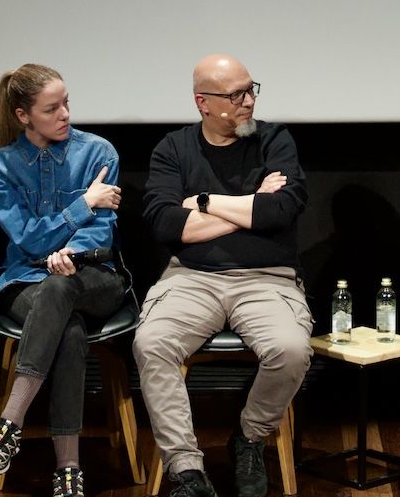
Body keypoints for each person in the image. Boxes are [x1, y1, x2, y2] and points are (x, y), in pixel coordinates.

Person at [134, 55, 312, 497]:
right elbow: (164, 224)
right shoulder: (173, 149)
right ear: (203, 103)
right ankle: (187, 471)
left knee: (290, 350)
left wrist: (205, 202)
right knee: (151, 344)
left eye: (251, 89)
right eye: (235, 95)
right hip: (191, 277)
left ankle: (249, 439)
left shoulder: (275, 140)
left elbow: (283, 209)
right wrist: (251, 203)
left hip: (267, 278)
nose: (248, 101)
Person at [0, 64, 128, 497]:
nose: (65, 114)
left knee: (62, 287)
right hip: (25, 282)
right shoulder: (1, 169)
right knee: (68, 327)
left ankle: (9, 425)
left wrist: (70, 251)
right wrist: (84, 204)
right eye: (51, 108)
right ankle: (68, 469)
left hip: (94, 274)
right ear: (23, 115)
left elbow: (100, 234)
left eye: (66, 103)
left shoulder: (99, 154)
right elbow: (27, 239)